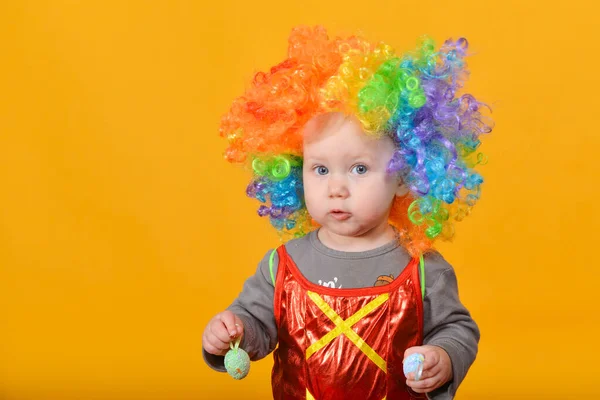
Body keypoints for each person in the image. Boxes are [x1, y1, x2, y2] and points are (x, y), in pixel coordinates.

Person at [203, 26, 493, 399]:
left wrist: (443, 356)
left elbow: (457, 329)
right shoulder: (282, 265)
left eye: (359, 169)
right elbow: (256, 322)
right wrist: (232, 331)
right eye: (320, 170)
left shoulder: (422, 268)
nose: (336, 188)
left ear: (404, 176)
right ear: (295, 171)